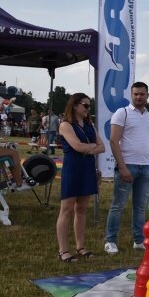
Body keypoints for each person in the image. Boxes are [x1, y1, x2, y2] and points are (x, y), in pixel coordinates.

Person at [104, 82, 149, 255]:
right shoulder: (122, 113)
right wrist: (122, 167)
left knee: (140, 206)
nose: (138, 97)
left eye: (142, 94)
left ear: (147, 95)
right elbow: (114, 141)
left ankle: (138, 240)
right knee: (118, 205)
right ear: (131, 95)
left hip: (146, 167)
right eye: (136, 94)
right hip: (127, 165)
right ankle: (110, 240)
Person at [55, 94, 105, 262]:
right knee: (67, 209)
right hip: (73, 168)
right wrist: (91, 147)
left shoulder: (90, 125)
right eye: (85, 105)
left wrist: (87, 148)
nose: (88, 109)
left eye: (89, 106)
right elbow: (76, 146)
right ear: (75, 106)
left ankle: (80, 246)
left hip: (87, 168)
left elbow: (102, 147)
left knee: (82, 209)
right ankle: (63, 250)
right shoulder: (65, 125)